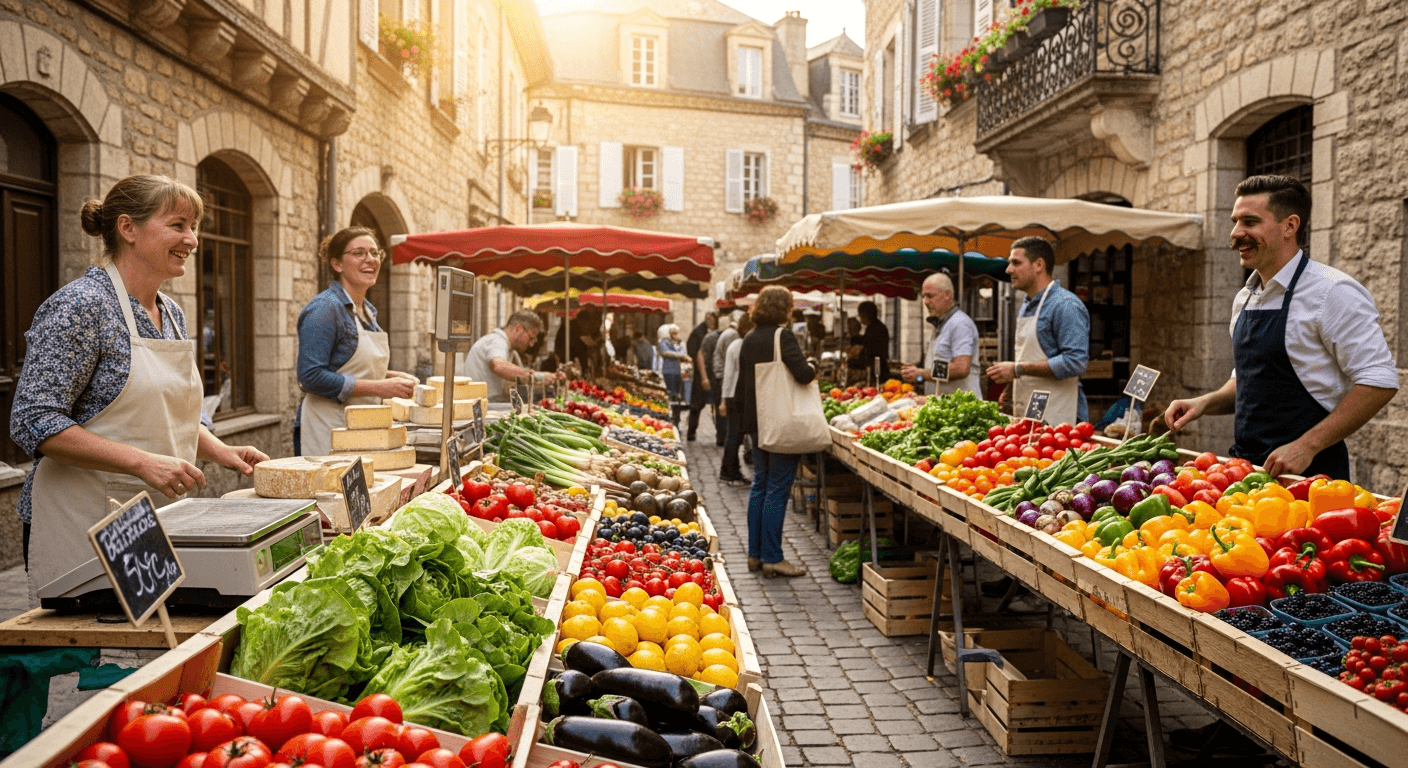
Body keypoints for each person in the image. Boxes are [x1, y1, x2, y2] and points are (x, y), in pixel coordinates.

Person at [10, 175, 269, 590]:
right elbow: (32, 420)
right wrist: (142, 462)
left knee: (145, 646)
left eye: (194, 227)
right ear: (128, 228)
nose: (192, 240)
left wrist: (222, 450)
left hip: (148, 516)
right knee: (92, 650)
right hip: (83, 518)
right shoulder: (81, 305)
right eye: (178, 225)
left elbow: (169, 412)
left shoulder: (171, 312)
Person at [1164, 175, 1398, 478]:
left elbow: (1379, 380)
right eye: (1235, 222)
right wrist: (1204, 403)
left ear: (1290, 226)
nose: (1236, 233)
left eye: (1250, 222)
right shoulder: (1246, 297)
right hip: (1246, 471)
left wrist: (1307, 446)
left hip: (1311, 478)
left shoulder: (1332, 291)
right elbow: (1251, 379)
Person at [296, 226, 418, 456]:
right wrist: (380, 387)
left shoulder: (367, 312)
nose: (370, 259)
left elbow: (348, 366)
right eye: (359, 253)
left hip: (362, 426)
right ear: (337, 264)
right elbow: (309, 377)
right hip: (330, 426)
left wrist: (392, 377)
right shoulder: (325, 309)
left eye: (375, 253)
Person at [738, 286, 815, 577]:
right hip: (779, 422)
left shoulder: (749, 338)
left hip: (757, 423)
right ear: (785, 308)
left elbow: (743, 386)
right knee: (777, 488)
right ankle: (773, 556)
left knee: (760, 484)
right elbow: (804, 374)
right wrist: (812, 364)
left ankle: (755, 555)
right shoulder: (781, 336)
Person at [986, 237, 1090, 423]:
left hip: (1058, 416)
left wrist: (1017, 369)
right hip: (1029, 409)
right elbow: (1027, 356)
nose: (1009, 270)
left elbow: (1075, 362)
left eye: (1016, 263)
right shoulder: (1027, 304)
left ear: (1039, 265)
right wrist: (1011, 388)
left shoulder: (1065, 305)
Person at [459, 310, 565, 403]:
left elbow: (520, 373)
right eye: (531, 337)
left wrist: (544, 377)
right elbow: (498, 366)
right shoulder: (497, 341)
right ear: (518, 329)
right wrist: (537, 377)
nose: (531, 343)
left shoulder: (505, 346)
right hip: (482, 405)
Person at [902, 273, 981, 395]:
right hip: (946, 406)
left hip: (960, 408)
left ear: (947, 295)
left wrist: (922, 374)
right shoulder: (944, 324)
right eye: (923, 296)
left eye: (930, 296)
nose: (925, 301)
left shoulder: (960, 323)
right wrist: (919, 377)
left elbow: (961, 368)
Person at [718, 313, 754, 486]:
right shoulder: (742, 345)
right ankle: (728, 472)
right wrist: (724, 400)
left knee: (735, 435)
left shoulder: (736, 344)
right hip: (737, 395)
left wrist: (724, 400)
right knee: (735, 435)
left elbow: (728, 374)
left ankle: (733, 470)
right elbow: (730, 374)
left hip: (733, 395)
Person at [686, 312, 719, 441]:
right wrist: (703, 374)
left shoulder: (715, 331)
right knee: (696, 405)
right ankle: (691, 432)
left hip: (714, 372)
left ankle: (720, 434)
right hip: (701, 373)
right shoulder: (698, 332)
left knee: (717, 403)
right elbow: (694, 352)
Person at [712, 312, 742, 446]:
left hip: (722, 375)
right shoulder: (732, 335)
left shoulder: (728, 333)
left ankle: (722, 437)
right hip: (724, 376)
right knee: (725, 413)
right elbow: (732, 361)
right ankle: (722, 438)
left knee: (723, 412)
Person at [846, 301, 890, 384]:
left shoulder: (874, 329)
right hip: (878, 368)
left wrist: (853, 361)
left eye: (860, 315)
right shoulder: (875, 327)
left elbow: (869, 352)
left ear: (865, 315)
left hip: (876, 370)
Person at [657, 324, 688, 403]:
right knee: (671, 392)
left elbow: (681, 352)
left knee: (677, 393)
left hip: (677, 370)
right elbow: (665, 352)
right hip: (669, 370)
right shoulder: (664, 342)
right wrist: (681, 355)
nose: (675, 335)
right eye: (673, 333)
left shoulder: (676, 343)